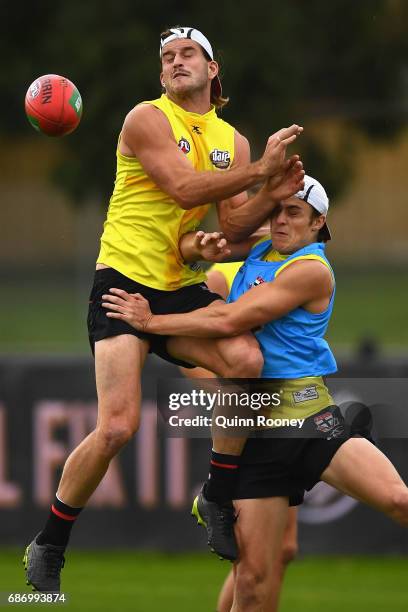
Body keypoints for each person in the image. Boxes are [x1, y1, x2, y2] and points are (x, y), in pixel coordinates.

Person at [23, 26, 305, 592]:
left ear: (212, 68)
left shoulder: (233, 140)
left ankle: (217, 496)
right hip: (123, 281)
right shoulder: (145, 119)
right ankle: (49, 542)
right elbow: (181, 189)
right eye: (167, 57)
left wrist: (269, 198)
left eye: (188, 54)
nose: (176, 62)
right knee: (118, 426)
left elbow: (231, 226)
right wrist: (260, 176)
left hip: (179, 284)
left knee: (245, 361)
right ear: (160, 75)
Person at [101, 174, 408, 611]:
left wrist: (150, 323)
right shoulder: (263, 249)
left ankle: (213, 495)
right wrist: (254, 178)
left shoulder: (310, 270)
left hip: (308, 421)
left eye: (294, 213)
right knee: (253, 586)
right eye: (277, 212)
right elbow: (234, 219)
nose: (280, 221)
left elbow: (229, 322)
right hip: (256, 436)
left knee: (399, 499)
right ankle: (215, 495)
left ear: (319, 222)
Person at [180, 261, 298, 612]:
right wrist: (235, 395)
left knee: (284, 550)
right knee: (250, 563)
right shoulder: (223, 273)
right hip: (248, 429)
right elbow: (188, 354)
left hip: (286, 415)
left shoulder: (292, 264)